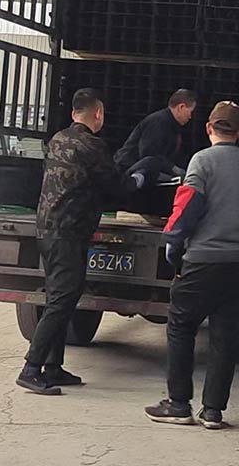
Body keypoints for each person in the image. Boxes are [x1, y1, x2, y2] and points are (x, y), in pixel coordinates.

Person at [17, 88, 152, 395]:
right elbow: (117, 186)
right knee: (63, 299)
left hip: (48, 229)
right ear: (98, 115)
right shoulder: (93, 145)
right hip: (69, 232)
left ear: (73, 113)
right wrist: (140, 178)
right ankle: (31, 368)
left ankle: (53, 367)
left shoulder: (58, 139)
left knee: (59, 297)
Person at [144, 101, 239, 430]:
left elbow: (186, 207)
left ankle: (179, 404)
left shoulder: (201, 160)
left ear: (209, 128)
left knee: (181, 328)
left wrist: (173, 247)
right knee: (225, 336)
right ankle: (213, 411)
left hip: (203, 260)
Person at [114, 89, 197, 181]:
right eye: (191, 112)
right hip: (129, 174)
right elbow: (149, 155)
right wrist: (173, 169)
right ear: (181, 107)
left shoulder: (171, 125)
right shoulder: (158, 122)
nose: (190, 117)